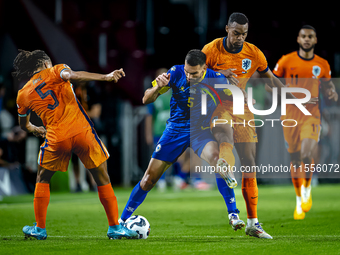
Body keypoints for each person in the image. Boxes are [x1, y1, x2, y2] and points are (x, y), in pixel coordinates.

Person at [201, 12, 316, 239]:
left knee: (250, 161)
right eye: (236, 33)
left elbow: (269, 79)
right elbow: (194, 76)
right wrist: (217, 73)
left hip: (242, 108)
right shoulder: (211, 50)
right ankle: (225, 164)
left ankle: (253, 223)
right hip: (216, 105)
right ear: (227, 29)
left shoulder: (253, 53)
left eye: (244, 34)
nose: (240, 38)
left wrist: (293, 96)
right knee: (225, 137)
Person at [13, 49, 137, 240]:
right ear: (46, 63)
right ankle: (114, 227)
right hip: (82, 132)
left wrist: (34, 128)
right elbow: (74, 75)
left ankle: (39, 229)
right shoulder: (56, 70)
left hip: (57, 138)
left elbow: (23, 123)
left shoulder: (23, 93)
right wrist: (106, 76)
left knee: (43, 178)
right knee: (102, 176)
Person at [119, 49, 244, 231]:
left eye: (193, 73)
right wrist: (156, 87)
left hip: (201, 130)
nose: (188, 76)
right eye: (187, 71)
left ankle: (233, 215)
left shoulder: (215, 79)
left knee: (217, 160)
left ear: (204, 69)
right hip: (175, 130)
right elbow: (146, 99)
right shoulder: (175, 72)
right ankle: (121, 221)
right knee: (148, 179)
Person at [270, 25, 338, 219]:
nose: (307, 39)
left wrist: (331, 91)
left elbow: (328, 85)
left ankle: (307, 187)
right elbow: (270, 84)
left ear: (315, 40)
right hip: (290, 116)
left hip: (311, 116)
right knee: (295, 159)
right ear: (298, 40)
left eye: (310, 36)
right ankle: (299, 199)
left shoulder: (322, 64)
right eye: (303, 36)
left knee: (307, 153)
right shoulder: (286, 61)